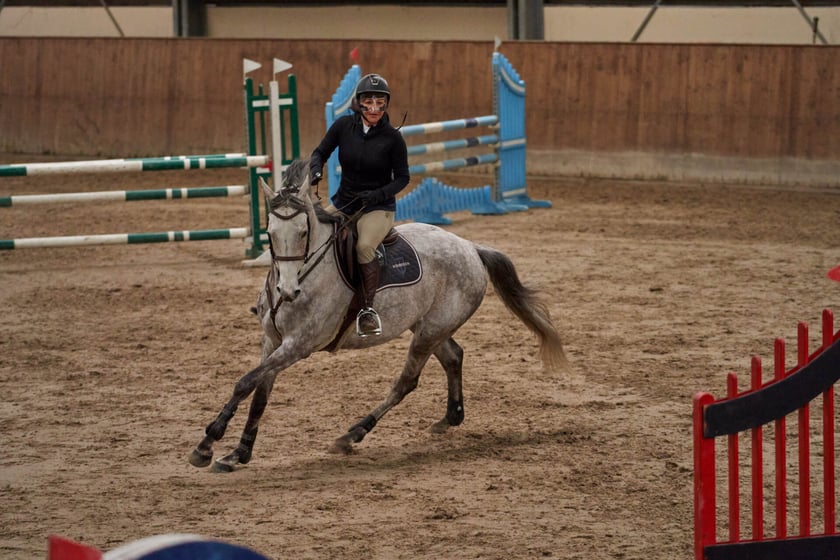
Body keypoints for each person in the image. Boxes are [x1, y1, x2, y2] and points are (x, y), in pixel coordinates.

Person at [308, 73, 410, 337]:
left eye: (380, 101)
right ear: (359, 103)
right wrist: (316, 169)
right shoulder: (343, 126)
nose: (374, 107)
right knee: (314, 234)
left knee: (364, 247)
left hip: (378, 208)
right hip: (345, 202)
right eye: (368, 100)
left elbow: (402, 178)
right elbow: (320, 152)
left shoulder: (393, 138)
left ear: (386, 104)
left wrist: (377, 195)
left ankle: (367, 309)